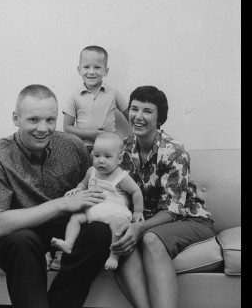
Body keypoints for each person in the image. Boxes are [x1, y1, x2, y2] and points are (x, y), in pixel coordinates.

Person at [0, 84, 113, 308]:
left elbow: (93, 185)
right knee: (22, 241)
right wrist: (62, 204)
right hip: (19, 238)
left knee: (100, 232)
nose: (43, 129)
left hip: (65, 231)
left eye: (50, 120)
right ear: (16, 118)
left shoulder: (72, 146)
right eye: (33, 120)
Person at [111, 86, 216, 308]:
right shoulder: (123, 149)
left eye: (147, 111)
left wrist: (139, 228)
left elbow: (173, 209)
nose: (138, 116)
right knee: (123, 239)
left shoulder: (174, 151)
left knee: (149, 237)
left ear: (160, 118)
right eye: (134, 109)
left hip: (189, 218)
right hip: (148, 221)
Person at [51, 132, 145, 271]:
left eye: (107, 157)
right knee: (75, 218)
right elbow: (83, 183)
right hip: (92, 211)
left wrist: (138, 211)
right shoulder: (91, 171)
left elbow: (136, 191)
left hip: (115, 214)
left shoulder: (121, 176)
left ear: (119, 159)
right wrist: (77, 190)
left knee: (118, 227)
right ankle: (68, 244)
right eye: (97, 156)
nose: (101, 160)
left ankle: (114, 256)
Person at [63, 45, 130, 155]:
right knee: (87, 172)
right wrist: (90, 133)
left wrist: (133, 139)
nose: (91, 72)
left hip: (110, 147)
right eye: (86, 67)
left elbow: (131, 117)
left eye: (97, 67)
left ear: (106, 71)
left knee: (109, 172)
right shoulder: (74, 96)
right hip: (83, 148)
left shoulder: (114, 93)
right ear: (79, 70)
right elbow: (67, 128)